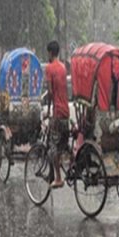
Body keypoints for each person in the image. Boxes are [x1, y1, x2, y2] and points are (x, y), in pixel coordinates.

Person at [45, 40, 70, 189]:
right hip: (66, 112)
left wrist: (48, 111)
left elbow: (50, 92)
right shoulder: (63, 67)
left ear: (50, 53)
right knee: (62, 144)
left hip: (57, 112)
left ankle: (58, 178)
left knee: (53, 145)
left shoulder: (49, 68)